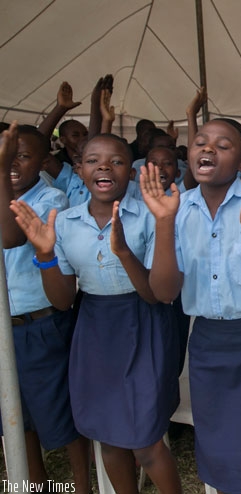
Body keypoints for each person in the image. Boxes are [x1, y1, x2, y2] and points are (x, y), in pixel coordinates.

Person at [12, 133, 182, 494]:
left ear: (131, 173)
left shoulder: (150, 217)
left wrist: (123, 253)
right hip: (93, 327)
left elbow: (154, 296)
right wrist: (45, 255)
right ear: (79, 170)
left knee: (145, 439)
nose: (104, 166)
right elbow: (61, 301)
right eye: (93, 161)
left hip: (142, 323)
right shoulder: (66, 222)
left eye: (117, 161)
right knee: (108, 437)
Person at [142, 118, 241, 494]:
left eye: (223, 145)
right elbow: (163, 292)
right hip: (209, 341)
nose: (208, 148)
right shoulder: (175, 208)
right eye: (200, 142)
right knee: (219, 454)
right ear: (189, 155)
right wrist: (164, 222)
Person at [0, 123, 90, 493]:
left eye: (22, 156)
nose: (13, 164)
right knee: (16, 419)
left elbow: (11, 237)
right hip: (7, 328)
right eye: (9, 156)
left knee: (60, 415)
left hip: (41, 326)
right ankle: (31, 486)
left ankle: (83, 485)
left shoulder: (50, 200)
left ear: (43, 161)